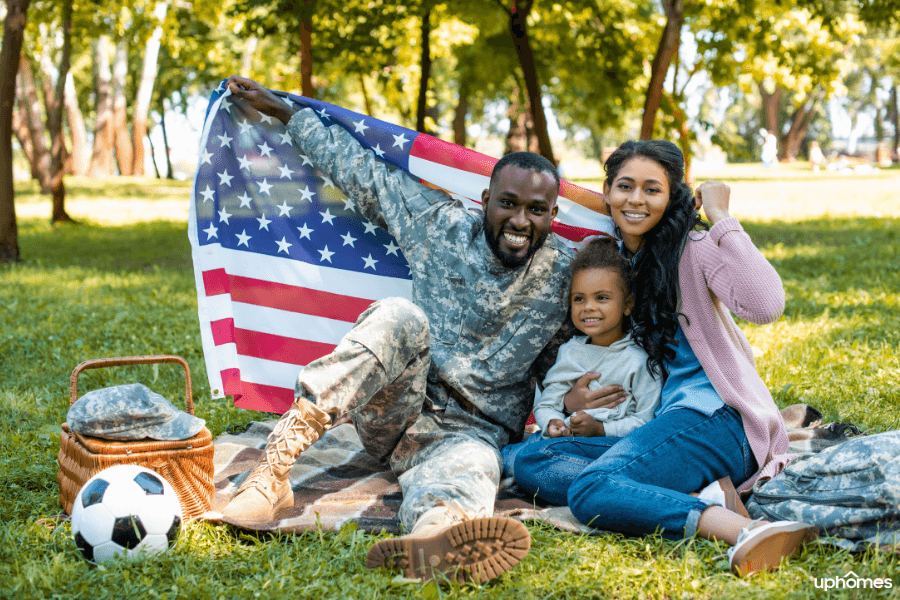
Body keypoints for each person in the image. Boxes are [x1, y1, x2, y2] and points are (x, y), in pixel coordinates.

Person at [218, 76, 625, 584]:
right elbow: (364, 173)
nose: (520, 220)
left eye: (536, 210)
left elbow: (595, 335)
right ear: (485, 199)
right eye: (508, 203)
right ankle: (273, 473)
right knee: (399, 316)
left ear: (552, 215)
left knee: (469, 476)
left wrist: (572, 401)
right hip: (396, 408)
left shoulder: (569, 277)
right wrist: (283, 112)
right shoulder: (440, 226)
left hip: (471, 432)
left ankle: (436, 539)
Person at [509, 140, 818, 577]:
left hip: (716, 418)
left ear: (672, 196)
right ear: (608, 191)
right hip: (656, 422)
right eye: (624, 187)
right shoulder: (616, 260)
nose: (636, 200)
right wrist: (573, 405)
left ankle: (741, 530)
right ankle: (707, 493)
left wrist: (723, 218)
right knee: (531, 460)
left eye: (652, 189)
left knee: (590, 489)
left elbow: (765, 304)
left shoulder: (693, 248)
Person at [530, 237, 661, 440]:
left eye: (602, 297)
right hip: (567, 441)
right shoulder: (570, 351)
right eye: (579, 298)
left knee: (531, 460)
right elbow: (547, 403)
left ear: (627, 304)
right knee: (522, 457)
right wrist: (552, 422)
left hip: (613, 447)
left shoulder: (638, 360)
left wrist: (600, 429)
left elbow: (647, 420)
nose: (588, 307)